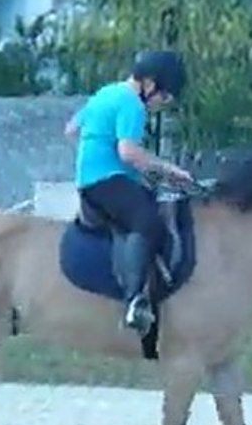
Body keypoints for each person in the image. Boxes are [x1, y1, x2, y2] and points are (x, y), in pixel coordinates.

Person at [65, 50, 193, 332]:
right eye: (165, 96)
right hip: (107, 181)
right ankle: (134, 301)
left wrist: (94, 153)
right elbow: (128, 152)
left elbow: (72, 130)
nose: (164, 103)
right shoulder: (132, 105)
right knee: (149, 223)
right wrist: (170, 170)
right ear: (149, 84)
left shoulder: (106, 93)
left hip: (92, 178)